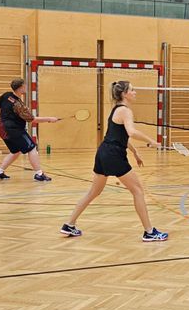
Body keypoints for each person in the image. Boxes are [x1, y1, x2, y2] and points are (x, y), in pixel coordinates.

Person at [61, 81, 168, 241]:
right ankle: (149, 232)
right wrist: (152, 141)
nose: (135, 92)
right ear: (124, 94)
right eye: (132, 90)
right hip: (114, 155)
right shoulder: (125, 111)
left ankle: (69, 224)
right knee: (138, 190)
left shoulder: (116, 110)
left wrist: (135, 151)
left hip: (103, 152)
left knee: (93, 192)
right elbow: (131, 132)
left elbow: (118, 136)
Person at [0, 78, 58, 181]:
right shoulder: (19, 105)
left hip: (1, 129)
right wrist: (49, 119)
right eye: (24, 85)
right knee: (31, 148)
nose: (26, 87)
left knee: (15, 151)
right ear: (21, 87)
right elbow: (32, 120)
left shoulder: (6, 95)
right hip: (13, 129)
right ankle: (39, 174)